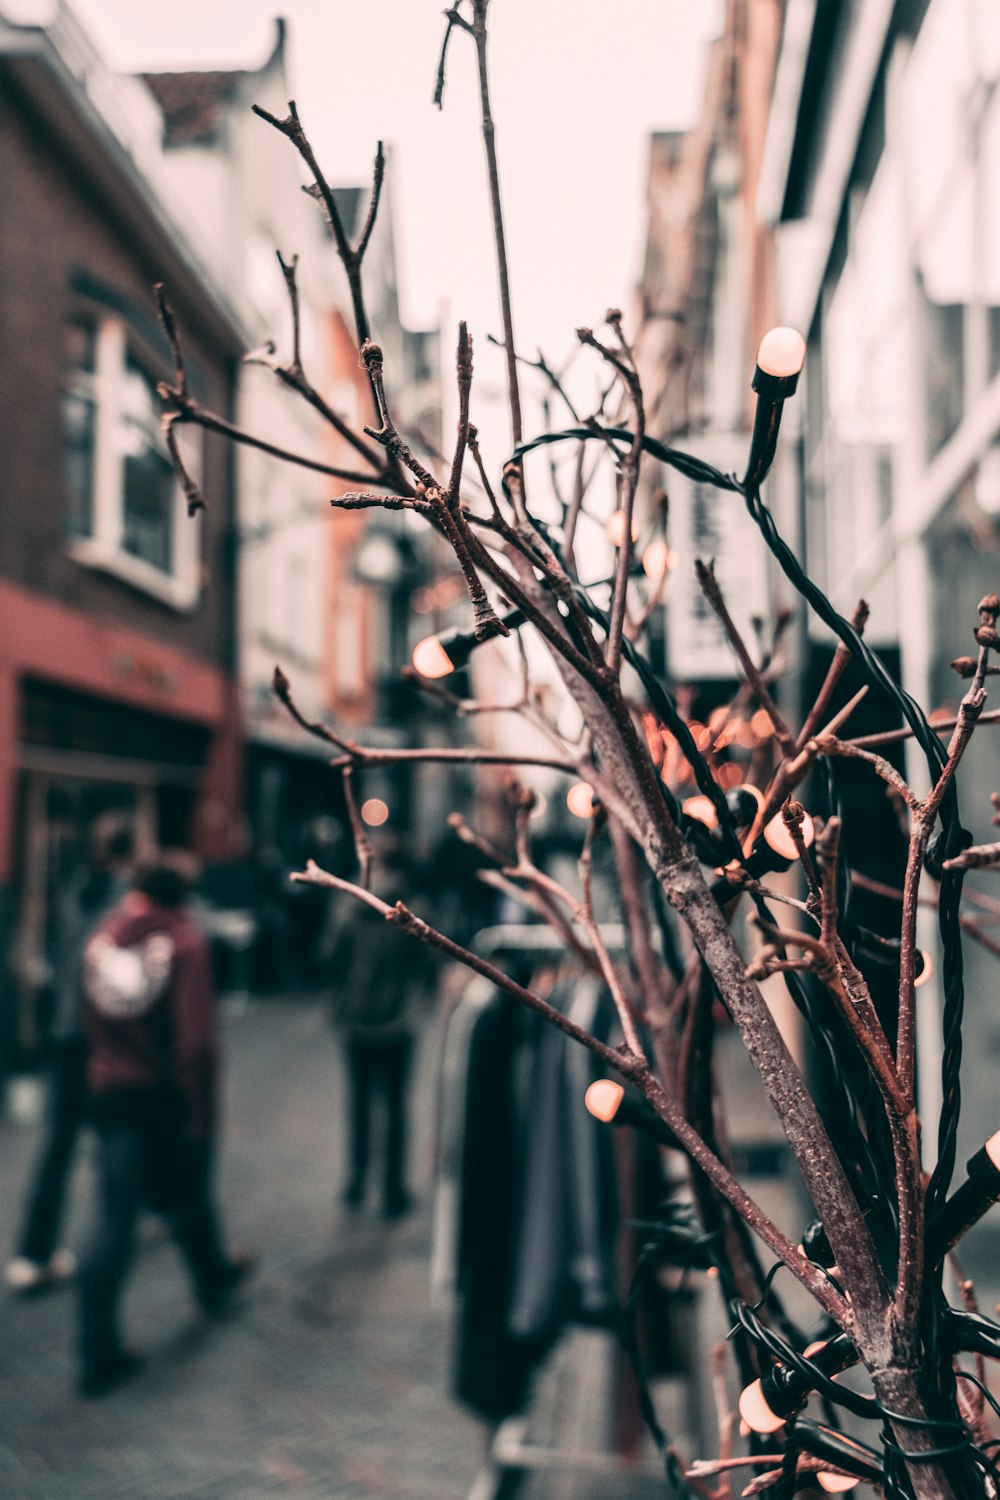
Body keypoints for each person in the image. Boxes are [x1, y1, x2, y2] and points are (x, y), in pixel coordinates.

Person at [76, 855, 252, 1397]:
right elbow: (195, 1041)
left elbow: (89, 1020)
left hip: (110, 1092)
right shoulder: (186, 941)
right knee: (188, 1192)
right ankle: (212, 1280)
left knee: (115, 1216)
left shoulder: (102, 939)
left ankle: (96, 1347)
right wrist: (201, 1111)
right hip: (163, 1096)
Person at [5, 813, 134, 1295]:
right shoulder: (124, 904)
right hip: (104, 1043)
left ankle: (32, 1253)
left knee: (58, 1148)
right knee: (112, 1149)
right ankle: (109, 1243)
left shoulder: (67, 893)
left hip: (64, 1037)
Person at [330, 855, 432, 1219]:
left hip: (356, 1019)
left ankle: (356, 1182)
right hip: (398, 1021)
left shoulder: (347, 909)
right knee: (395, 1106)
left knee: (358, 1104)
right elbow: (425, 966)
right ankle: (393, 1190)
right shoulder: (411, 911)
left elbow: (329, 958)